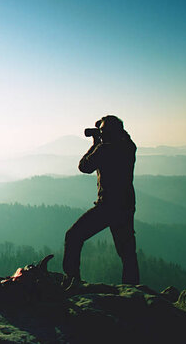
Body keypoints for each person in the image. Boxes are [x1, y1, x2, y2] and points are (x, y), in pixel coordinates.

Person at [62, 115, 139, 288]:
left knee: (73, 236)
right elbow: (124, 136)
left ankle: (72, 280)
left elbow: (84, 166)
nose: (102, 135)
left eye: (104, 132)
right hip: (126, 206)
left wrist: (95, 143)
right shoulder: (129, 147)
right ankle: (133, 289)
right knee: (127, 252)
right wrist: (104, 131)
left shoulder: (104, 150)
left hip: (107, 207)